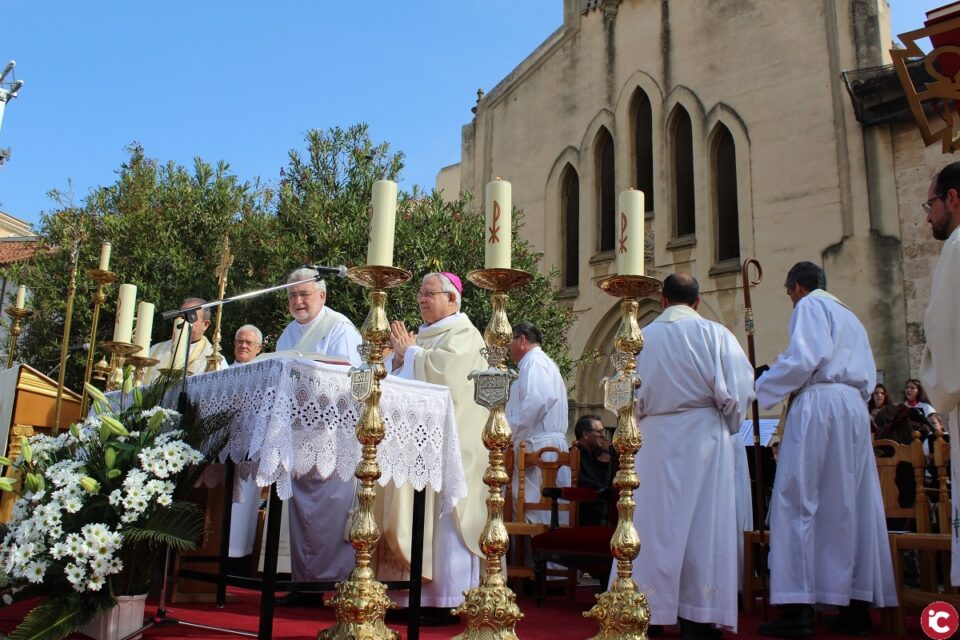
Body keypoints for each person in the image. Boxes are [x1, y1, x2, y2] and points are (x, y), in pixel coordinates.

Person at [756, 262, 897, 637]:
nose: (790, 302)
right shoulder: (849, 315)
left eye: (788, 294)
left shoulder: (810, 306)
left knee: (797, 499)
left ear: (798, 287)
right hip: (853, 408)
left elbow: (804, 359)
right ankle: (854, 605)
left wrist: (763, 384)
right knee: (848, 503)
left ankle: (797, 609)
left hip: (820, 404)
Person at [615, 272, 753, 639]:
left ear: (662, 301)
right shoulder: (716, 335)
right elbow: (739, 392)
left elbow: (620, 397)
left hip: (654, 438)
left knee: (652, 526)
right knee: (704, 528)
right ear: (696, 301)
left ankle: (645, 610)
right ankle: (699, 615)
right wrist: (726, 421)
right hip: (706, 438)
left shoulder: (639, 338)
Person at [381, 271, 488, 620]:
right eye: (421, 294)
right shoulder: (424, 338)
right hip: (416, 444)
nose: (422, 300)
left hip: (453, 445)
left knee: (445, 518)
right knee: (415, 514)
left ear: (452, 299)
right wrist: (398, 361)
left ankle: (447, 598)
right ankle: (411, 595)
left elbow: (447, 378)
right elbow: (404, 382)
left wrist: (410, 354)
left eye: (430, 293)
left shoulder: (465, 335)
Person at [274, 267, 363, 606]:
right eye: (293, 295)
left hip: (333, 435)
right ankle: (303, 583)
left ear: (322, 296)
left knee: (330, 511)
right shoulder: (287, 334)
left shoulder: (339, 329)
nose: (298, 301)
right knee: (300, 512)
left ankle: (336, 585)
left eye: (304, 294)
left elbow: (354, 381)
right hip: (299, 436)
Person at [919, 161, 960, 586]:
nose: (928, 215)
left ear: (952, 198)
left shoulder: (957, 247)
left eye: (930, 203)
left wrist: (938, 382)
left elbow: (945, 330)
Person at [506, 321, 570, 524]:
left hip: (537, 446)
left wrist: (510, 432)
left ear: (522, 340)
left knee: (534, 510)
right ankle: (544, 554)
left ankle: (533, 555)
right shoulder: (542, 362)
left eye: (510, 342)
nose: (508, 349)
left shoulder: (533, 362)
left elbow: (537, 400)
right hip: (546, 442)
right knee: (550, 509)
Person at [144, 297, 227, 383]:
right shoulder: (156, 350)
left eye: (190, 317)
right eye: (181, 317)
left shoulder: (215, 360)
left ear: (205, 324)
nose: (183, 322)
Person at [572, 415, 614, 526]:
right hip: (585, 514)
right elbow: (582, 481)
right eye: (599, 432)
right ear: (586, 434)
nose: (603, 436)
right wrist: (607, 491)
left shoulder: (596, 455)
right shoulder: (573, 455)